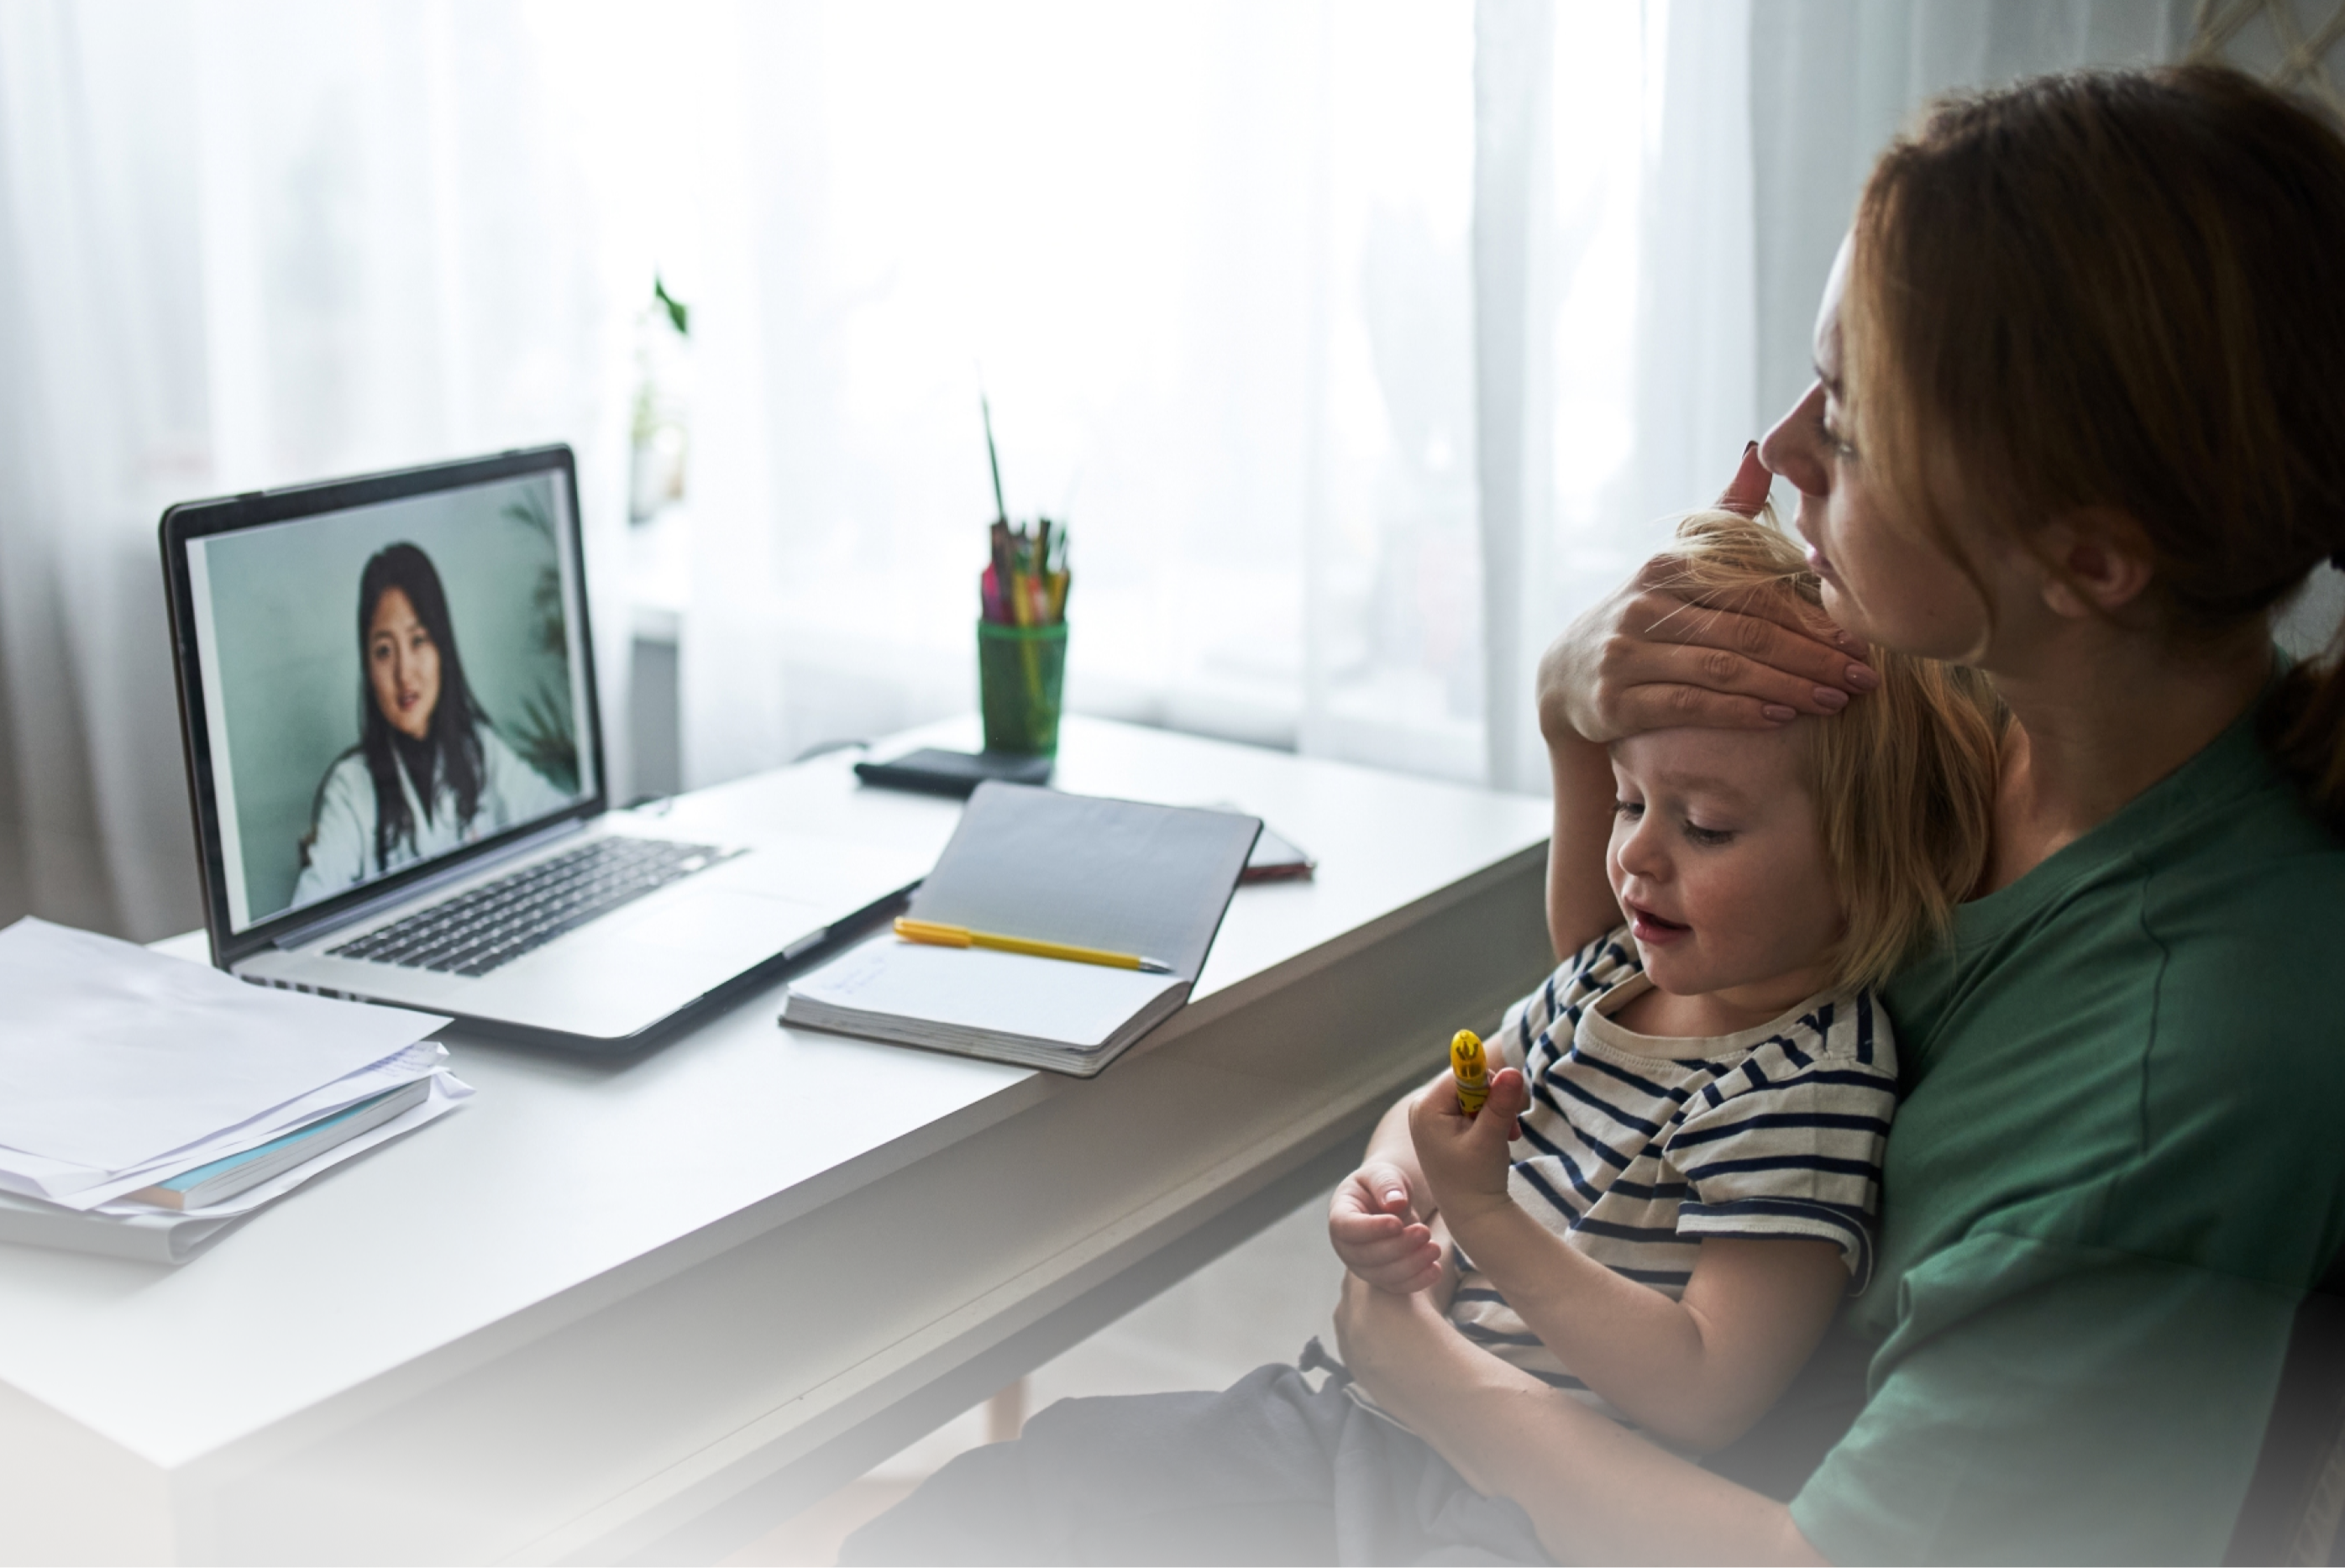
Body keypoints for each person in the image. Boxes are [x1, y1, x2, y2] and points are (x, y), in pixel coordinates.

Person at [847, 62, 2345, 1567]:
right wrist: (1586, 697)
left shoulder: (2194, 1062)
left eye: (1862, 421)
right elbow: (1643, 982)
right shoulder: (1971, 727)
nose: (1783, 449)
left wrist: (1416, 1357)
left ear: (2090, 563)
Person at [291, 542, 571, 909]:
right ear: (367, 668)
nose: (404, 673)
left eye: (419, 641)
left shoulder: (481, 752)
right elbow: (309, 909)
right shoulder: (351, 788)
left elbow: (566, 822)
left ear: (443, 649)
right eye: (384, 651)